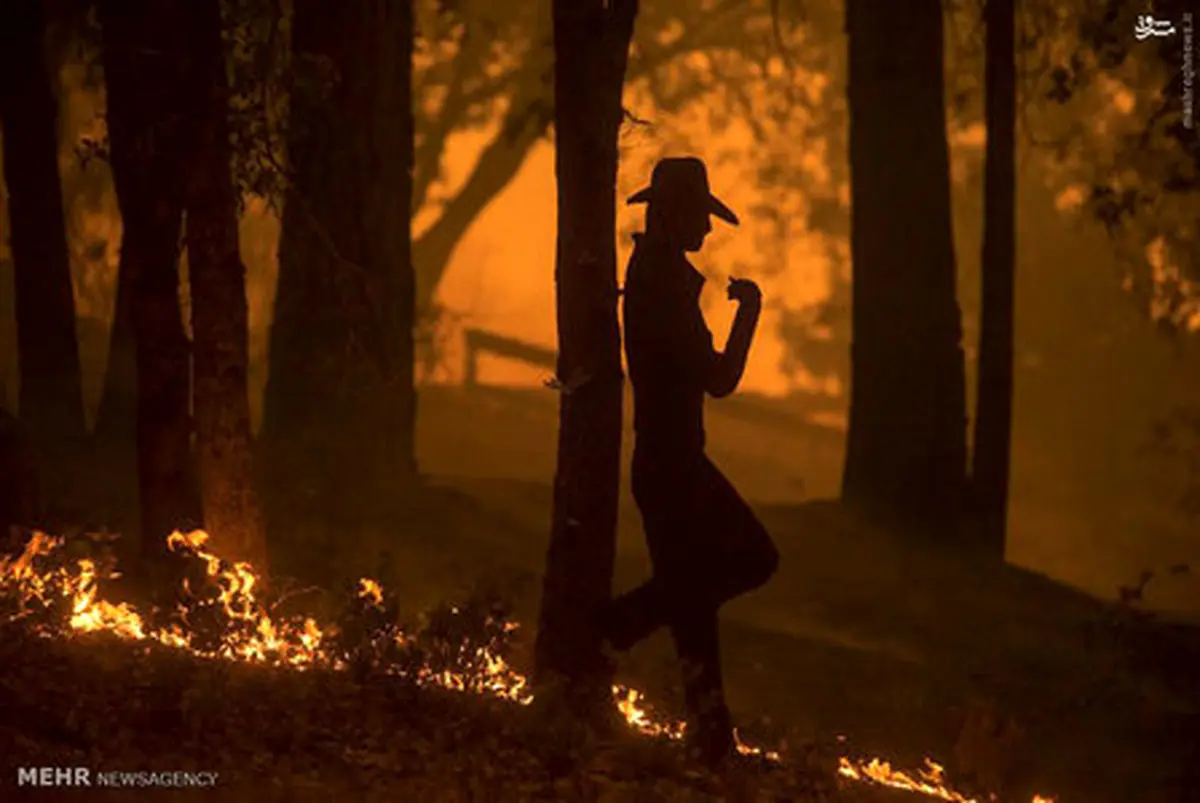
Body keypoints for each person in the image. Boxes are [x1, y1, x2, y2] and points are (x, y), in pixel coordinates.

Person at [599, 157, 779, 765]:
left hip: (669, 460)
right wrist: (749, 314)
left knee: (696, 596)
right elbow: (719, 378)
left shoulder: (656, 276)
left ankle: (710, 730)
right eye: (698, 217)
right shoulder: (664, 286)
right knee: (750, 559)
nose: (705, 232)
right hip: (672, 464)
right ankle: (620, 626)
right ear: (674, 216)